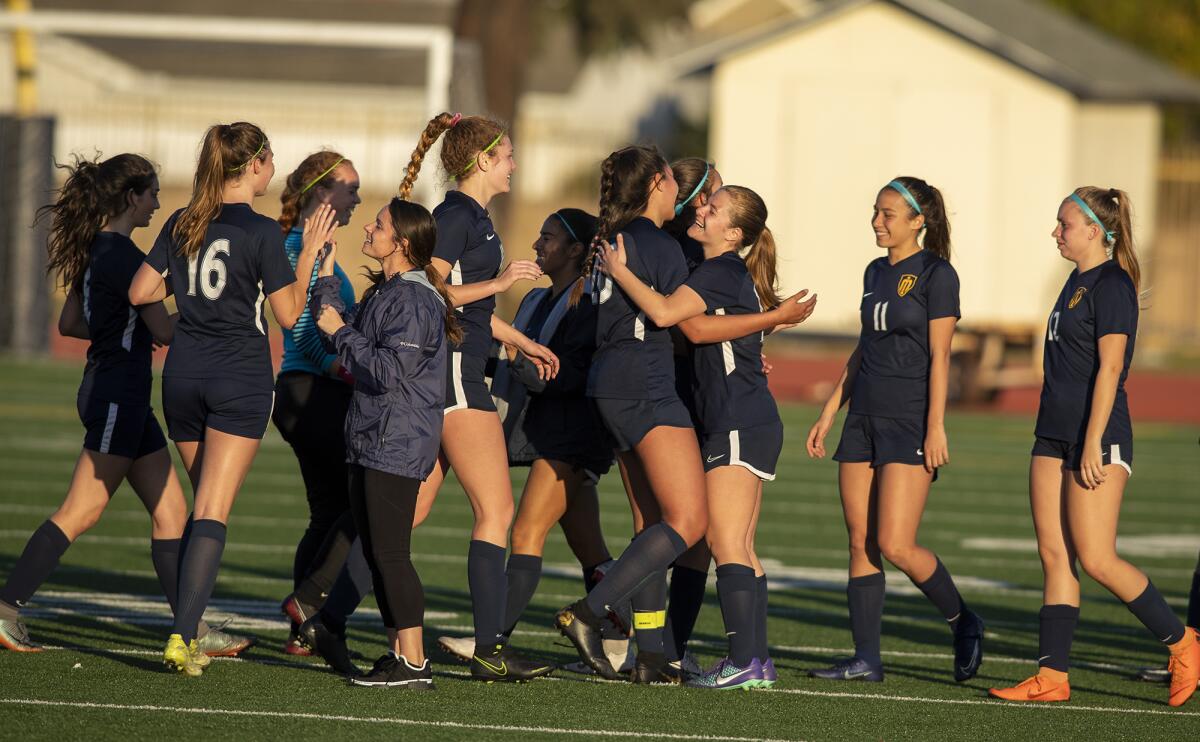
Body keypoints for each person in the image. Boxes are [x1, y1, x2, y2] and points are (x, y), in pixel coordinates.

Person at [554, 145, 814, 684]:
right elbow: (688, 326)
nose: (702, 211)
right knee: (705, 534)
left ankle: (708, 655)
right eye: (706, 201)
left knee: (712, 536)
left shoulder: (704, 264)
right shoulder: (686, 257)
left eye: (714, 209)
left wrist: (766, 322)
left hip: (730, 414)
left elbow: (685, 323)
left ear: (733, 233)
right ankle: (698, 654)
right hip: (686, 402)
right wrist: (768, 321)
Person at [0, 153, 247, 658]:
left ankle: (191, 627)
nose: (158, 203)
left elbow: (71, 322)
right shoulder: (128, 259)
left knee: (173, 515)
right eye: (152, 193)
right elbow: (162, 329)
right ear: (131, 197)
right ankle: (5, 609)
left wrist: (120, 329)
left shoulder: (96, 250)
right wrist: (216, 314)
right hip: (117, 396)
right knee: (82, 511)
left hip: (120, 394)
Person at [128, 122, 327, 676]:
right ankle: (184, 635)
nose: (273, 171)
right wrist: (309, 255)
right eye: (270, 161)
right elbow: (289, 317)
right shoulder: (262, 233)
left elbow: (141, 292)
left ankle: (189, 623)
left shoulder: (183, 221)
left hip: (183, 376)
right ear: (256, 164)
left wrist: (176, 325)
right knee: (213, 512)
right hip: (238, 377)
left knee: (201, 509)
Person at [988, 188, 1199, 706]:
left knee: (1098, 557)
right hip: (1051, 433)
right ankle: (1052, 676)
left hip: (1096, 437)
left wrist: (1093, 442)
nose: (1055, 232)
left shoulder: (1113, 284)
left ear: (1093, 231)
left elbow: (1110, 369)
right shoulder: (1074, 281)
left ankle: (1184, 645)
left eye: (1063, 224)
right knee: (1054, 555)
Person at [395, 112, 560, 681]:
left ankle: (321, 606)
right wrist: (501, 282)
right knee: (497, 511)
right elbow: (430, 290)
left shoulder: (475, 218)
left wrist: (522, 341)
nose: (515, 164)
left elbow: (475, 313)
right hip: (457, 378)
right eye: (508, 154)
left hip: (461, 368)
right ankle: (490, 648)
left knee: (406, 513)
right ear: (483, 159)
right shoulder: (456, 215)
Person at [805, 177, 984, 684]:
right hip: (863, 418)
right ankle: (866, 659)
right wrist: (830, 411)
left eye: (888, 214)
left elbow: (941, 355)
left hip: (910, 419)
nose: (877, 222)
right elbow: (864, 349)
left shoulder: (937, 274)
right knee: (860, 541)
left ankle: (963, 620)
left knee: (897, 543)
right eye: (876, 212)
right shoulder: (872, 271)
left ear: (917, 222)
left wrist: (935, 427)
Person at [437, 208, 628, 671]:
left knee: (525, 532)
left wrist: (519, 361)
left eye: (549, 238)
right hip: (543, 428)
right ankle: (619, 635)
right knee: (591, 549)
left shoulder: (589, 305)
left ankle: (493, 640)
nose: (538, 245)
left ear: (577, 250)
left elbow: (571, 375)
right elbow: (509, 360)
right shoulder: (536, 301)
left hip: (574, 430)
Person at [310, 197, 457, 689]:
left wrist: (341, 333)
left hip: (397, 438)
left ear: (404, 243)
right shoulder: (387, 292)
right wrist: (326, 273)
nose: (370, 228)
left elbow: (389, 371)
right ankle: (401, 655)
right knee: (377, 552)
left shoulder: (414, 300)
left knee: (391, 554)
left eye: (380, 224)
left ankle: (414, 662)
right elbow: (337, 332)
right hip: (373, 435)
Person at [270, 150, 372, 656]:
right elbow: (303, 328)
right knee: (369, 499)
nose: (357, 197)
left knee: (325, 511)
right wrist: (344, 369)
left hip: (304, 391)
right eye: (350, 187)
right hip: (311, 390)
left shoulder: (316, 245)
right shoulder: (297, 246)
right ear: (320, 193)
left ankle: (301, 631)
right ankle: (310, 602)